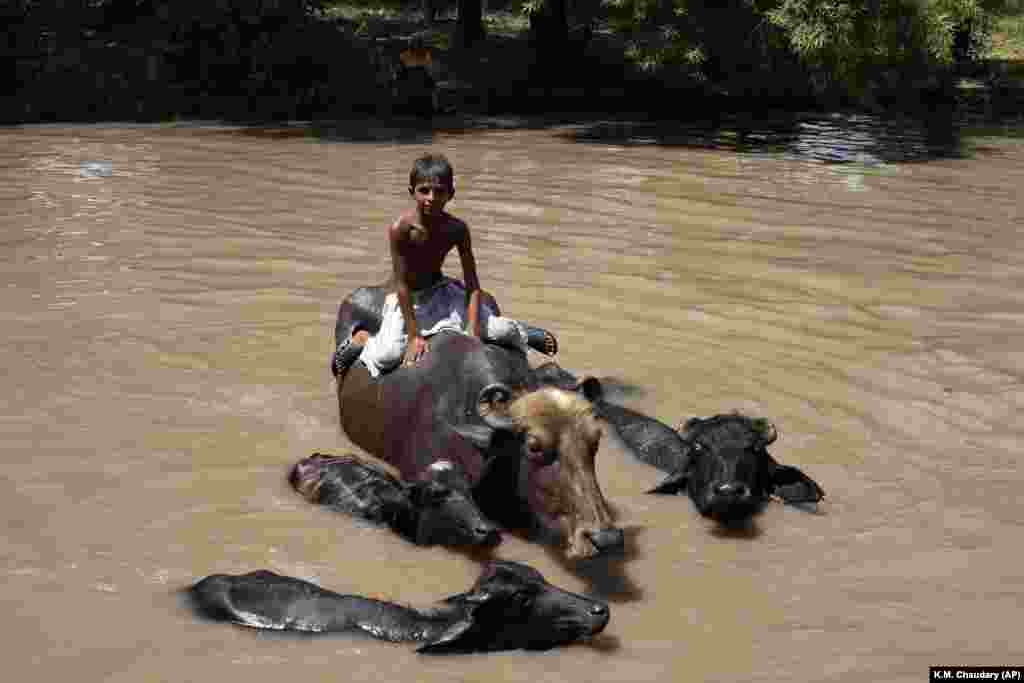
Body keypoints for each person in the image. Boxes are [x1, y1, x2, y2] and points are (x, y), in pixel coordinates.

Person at [333, 153, 558, 378]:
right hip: (409, 298)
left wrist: (473, 327)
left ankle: (523, 332)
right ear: (412, 192)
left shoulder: (457, 229)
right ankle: (363, 339)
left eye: (440, 191)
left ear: (451, 194)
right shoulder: (400, 229)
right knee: (388, 355)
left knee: (496, 330)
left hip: (442, 292)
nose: (431, 197)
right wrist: (413, 336)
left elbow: (472, 281)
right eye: (424, 190)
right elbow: (401, 284)